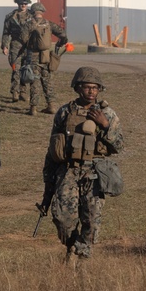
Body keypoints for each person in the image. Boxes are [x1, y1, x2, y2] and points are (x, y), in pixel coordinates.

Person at [41, 66, 124, 262]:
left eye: (95, 88)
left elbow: (119, 145)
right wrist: (48, 186)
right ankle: (72, 246)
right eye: (87, 87)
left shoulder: (107, 114)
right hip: (68, 171)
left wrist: (105, 125)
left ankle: (82, 259)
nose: (91, 91)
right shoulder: (64, 112)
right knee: (62, 218)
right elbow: (53, 148)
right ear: (78, 88)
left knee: (92, 219)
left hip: (94, 173)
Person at [21, 2, 67, 115]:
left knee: (34, 81)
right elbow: (63, 35)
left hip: (33, 57)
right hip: (46, 57)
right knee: (48, 81)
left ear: (33, 12)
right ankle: (51, 106)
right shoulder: (49, 24)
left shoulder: (29, 24)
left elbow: (23, 39)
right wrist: (60, 44)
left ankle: (33, 108)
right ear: (42, 12)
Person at [1, 0, 33, 103]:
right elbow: (6, 33)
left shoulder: (32, 16)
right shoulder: (10, 17)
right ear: (17, 3)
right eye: (21, 3)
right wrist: (4, 46)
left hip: (28, 46)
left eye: (25, 3)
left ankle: (23, 92)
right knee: (16, 68)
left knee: (26, 68)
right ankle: (15, 91)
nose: (23, 5)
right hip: (15, 45)